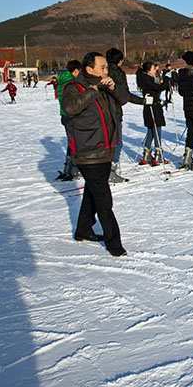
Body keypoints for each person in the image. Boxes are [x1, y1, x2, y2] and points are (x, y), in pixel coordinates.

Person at [61, 51, 129, 257]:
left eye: (107, 67)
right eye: (102, 68)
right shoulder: (74, 87)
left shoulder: (105, 85)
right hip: (88, 151)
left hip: (105, 149)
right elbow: (70, 108)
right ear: (89, 69)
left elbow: (124, 100)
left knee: (93, 190)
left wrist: (113, 87)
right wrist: (93, 90)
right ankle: (114, 243)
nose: (106, 71)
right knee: (103, 197)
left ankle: (83, 229)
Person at [106, 48, 144, 183]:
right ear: (119, 60)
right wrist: (143, 101)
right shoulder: (117, 72)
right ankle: (110, 171)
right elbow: (125, 95)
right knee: (116, 142)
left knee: (103, 142)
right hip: (113, 111)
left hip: (98, 112)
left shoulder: (101, 71)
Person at [136, 61, 168, 166]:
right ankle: (158, 155)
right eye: (154, 69)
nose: (156, 71)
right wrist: (166, 80)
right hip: (153, 106)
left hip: (150, 106)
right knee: (156, 129)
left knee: (150, 130)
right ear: (149, 70)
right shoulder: (147, 79)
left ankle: (147, 153)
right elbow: (158, 88)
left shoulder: (144, 78)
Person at [56, 60, 82, 181]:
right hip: (72, 115)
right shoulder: (71, 83)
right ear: (75, 70)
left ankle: (68, 168)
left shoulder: (62, 80)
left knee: (71, 141)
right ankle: (74, 170)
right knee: (75, 142)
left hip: (64, 115)